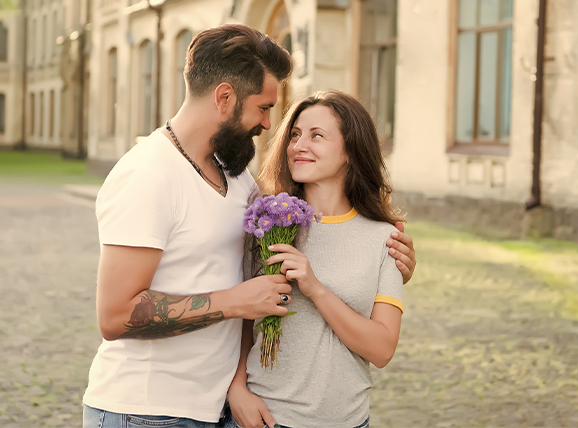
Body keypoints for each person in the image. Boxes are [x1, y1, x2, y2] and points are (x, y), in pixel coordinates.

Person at [83, 26, 416, 428]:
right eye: (263, 108)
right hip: (146, 410)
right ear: (225, 98)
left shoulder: (238, 179)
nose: (268, 124)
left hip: (213, 409)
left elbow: (334, 254)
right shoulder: (148, 174)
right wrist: (237, 301)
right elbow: (116, 315)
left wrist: (388, 267)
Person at [225, 90, 409, 428]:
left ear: (351, 151)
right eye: (294, 135)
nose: (298, 146)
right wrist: (236, 389)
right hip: (265, 418)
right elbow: (242, 321)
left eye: (316, 136)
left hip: (347, 421)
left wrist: (315, 288)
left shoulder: (385, 239)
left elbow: (382, 349)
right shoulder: (268, 224)